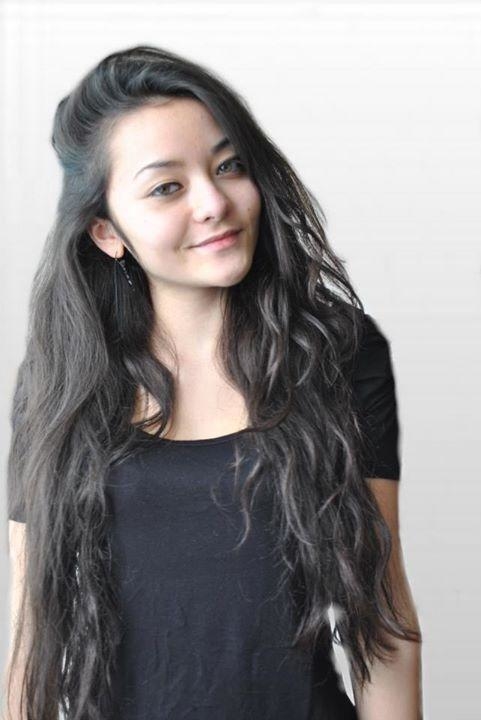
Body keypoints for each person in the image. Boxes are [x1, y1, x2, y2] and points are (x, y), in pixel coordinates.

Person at [4, 45, 422, 720]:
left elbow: (383, 622)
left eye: (228, 166)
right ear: (107, 232)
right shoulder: (61, 382)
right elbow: (32, 637)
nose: (214, 202)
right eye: (166, 187)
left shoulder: (339, 353)